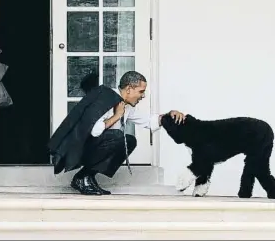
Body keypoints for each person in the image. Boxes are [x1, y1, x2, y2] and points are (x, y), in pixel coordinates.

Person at [48, 71, 185, 195]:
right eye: (141, 91)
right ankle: (83, 178)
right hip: (77, 149)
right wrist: (117, 116)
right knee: (118, 136)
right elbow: (95, 131)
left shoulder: (125, 105)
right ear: (129, 89)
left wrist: (169, 116)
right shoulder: (105, 97)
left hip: (91, 147)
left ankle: (85, 176)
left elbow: (149, 121)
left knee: (130, 140)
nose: (143, 96)